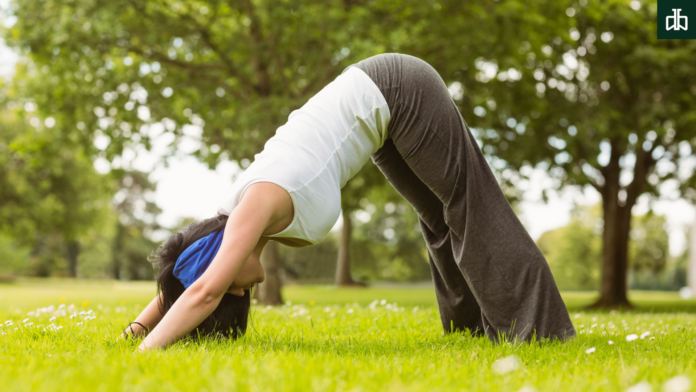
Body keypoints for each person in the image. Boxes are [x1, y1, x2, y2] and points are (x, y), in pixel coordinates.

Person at [124, 53, 576, 350]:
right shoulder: (229, 222)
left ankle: (540, 332)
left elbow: (203, 290)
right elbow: (182, 281)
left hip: (398, 87)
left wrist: (144, 356)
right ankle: (470, 332)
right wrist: (135, 330)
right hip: (381, 117)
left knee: (466, 201)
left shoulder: (252, 206)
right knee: (437, 217)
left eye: (231, 287)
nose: (240, 291)